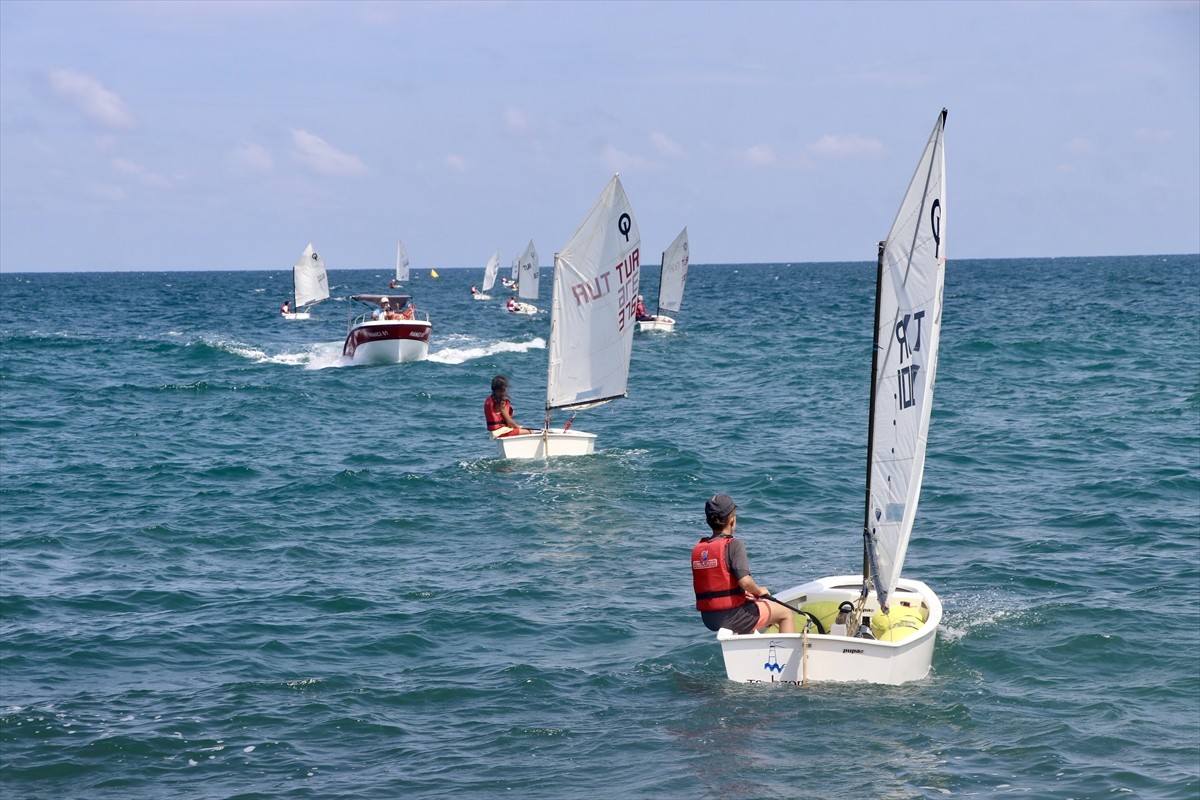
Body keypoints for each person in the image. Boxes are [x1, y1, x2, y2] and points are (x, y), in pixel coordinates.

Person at [691, 494, 796, 635]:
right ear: (732, 520)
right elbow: (745, 581)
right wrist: (758, 591)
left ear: (708, 521)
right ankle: (785, 649)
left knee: (748, 607)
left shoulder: (699, 549)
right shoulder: (734, 544)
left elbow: (716, 582)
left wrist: (743, 594)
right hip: (731, 616)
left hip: (709, 618)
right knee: (785, 613)